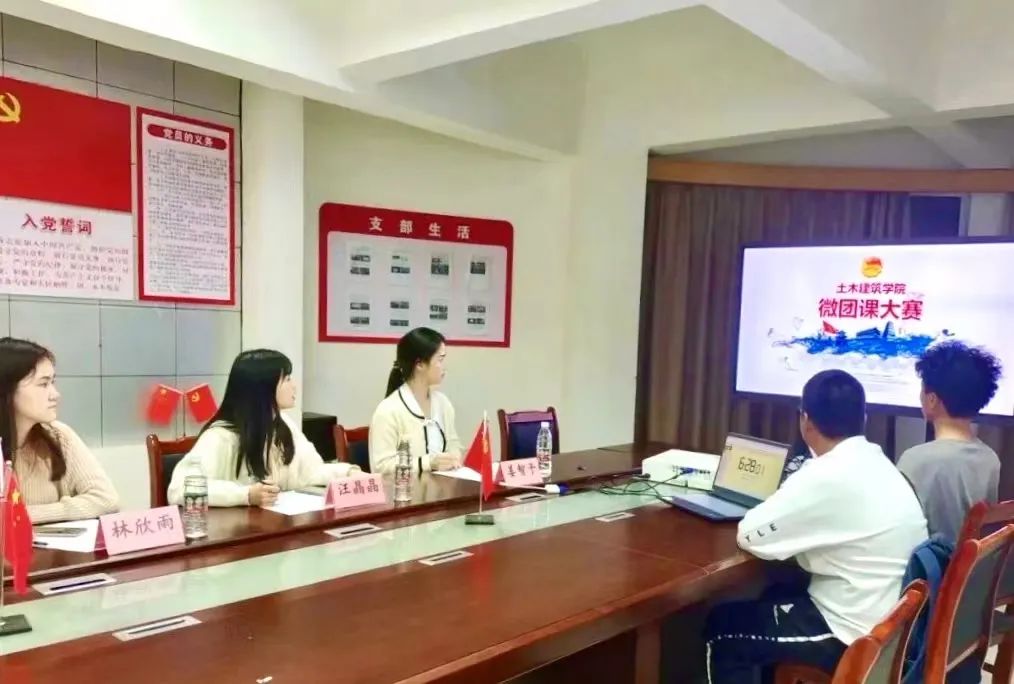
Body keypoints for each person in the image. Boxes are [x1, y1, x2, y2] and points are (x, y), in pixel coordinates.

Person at [704, 370, 927, 684]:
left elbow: (750, 535)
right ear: (863, 418)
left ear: (805, 421)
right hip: (893, 625)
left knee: (723, 628)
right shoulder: (880, 463)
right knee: (774, 593)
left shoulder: (825, 474)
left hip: (854, 635)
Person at [167, 349, 360, 508]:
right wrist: (246, 495)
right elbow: (179, 489)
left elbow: (309, 473)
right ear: (264, 388)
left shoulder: (284, 424)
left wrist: (349, 473)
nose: (294, 386)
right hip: (237, 535)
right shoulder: (220, 436)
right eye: (287, 379)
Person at [0, 337, 119, 524]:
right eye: (43, 384)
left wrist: (22, 515)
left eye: (52, 382)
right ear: (7, 390)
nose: (55, 395)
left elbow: (106, 499)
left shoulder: (59, 435)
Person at [897, 341, 1002, 542]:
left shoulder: (914, 460)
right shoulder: (990, 459)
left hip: (924, 562)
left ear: (932, 400)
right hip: (971, 562)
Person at [369, 327, 462, 475]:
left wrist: (454, 457)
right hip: (405, 489)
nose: (444, 367)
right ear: (419, 364)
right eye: (440, 359)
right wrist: (427, 463)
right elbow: (381, 466)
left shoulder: (443, 403)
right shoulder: (388, 410)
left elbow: (453, 444)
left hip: (443, 486)